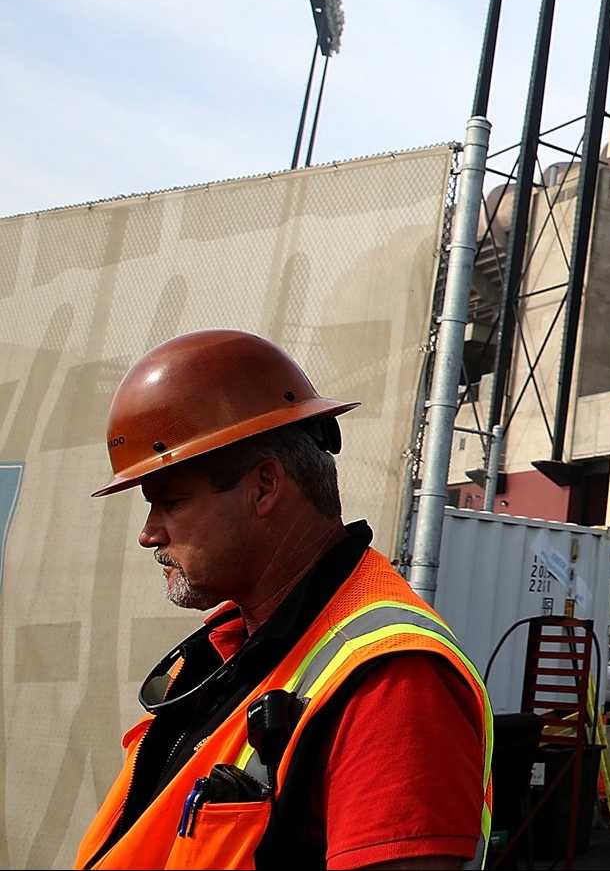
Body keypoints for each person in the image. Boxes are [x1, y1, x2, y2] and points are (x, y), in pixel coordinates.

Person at [74, 329, 493, 871]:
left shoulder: (392, 681)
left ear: (265, 486)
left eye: (171, 502)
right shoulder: (230, 648)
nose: (149, 533)